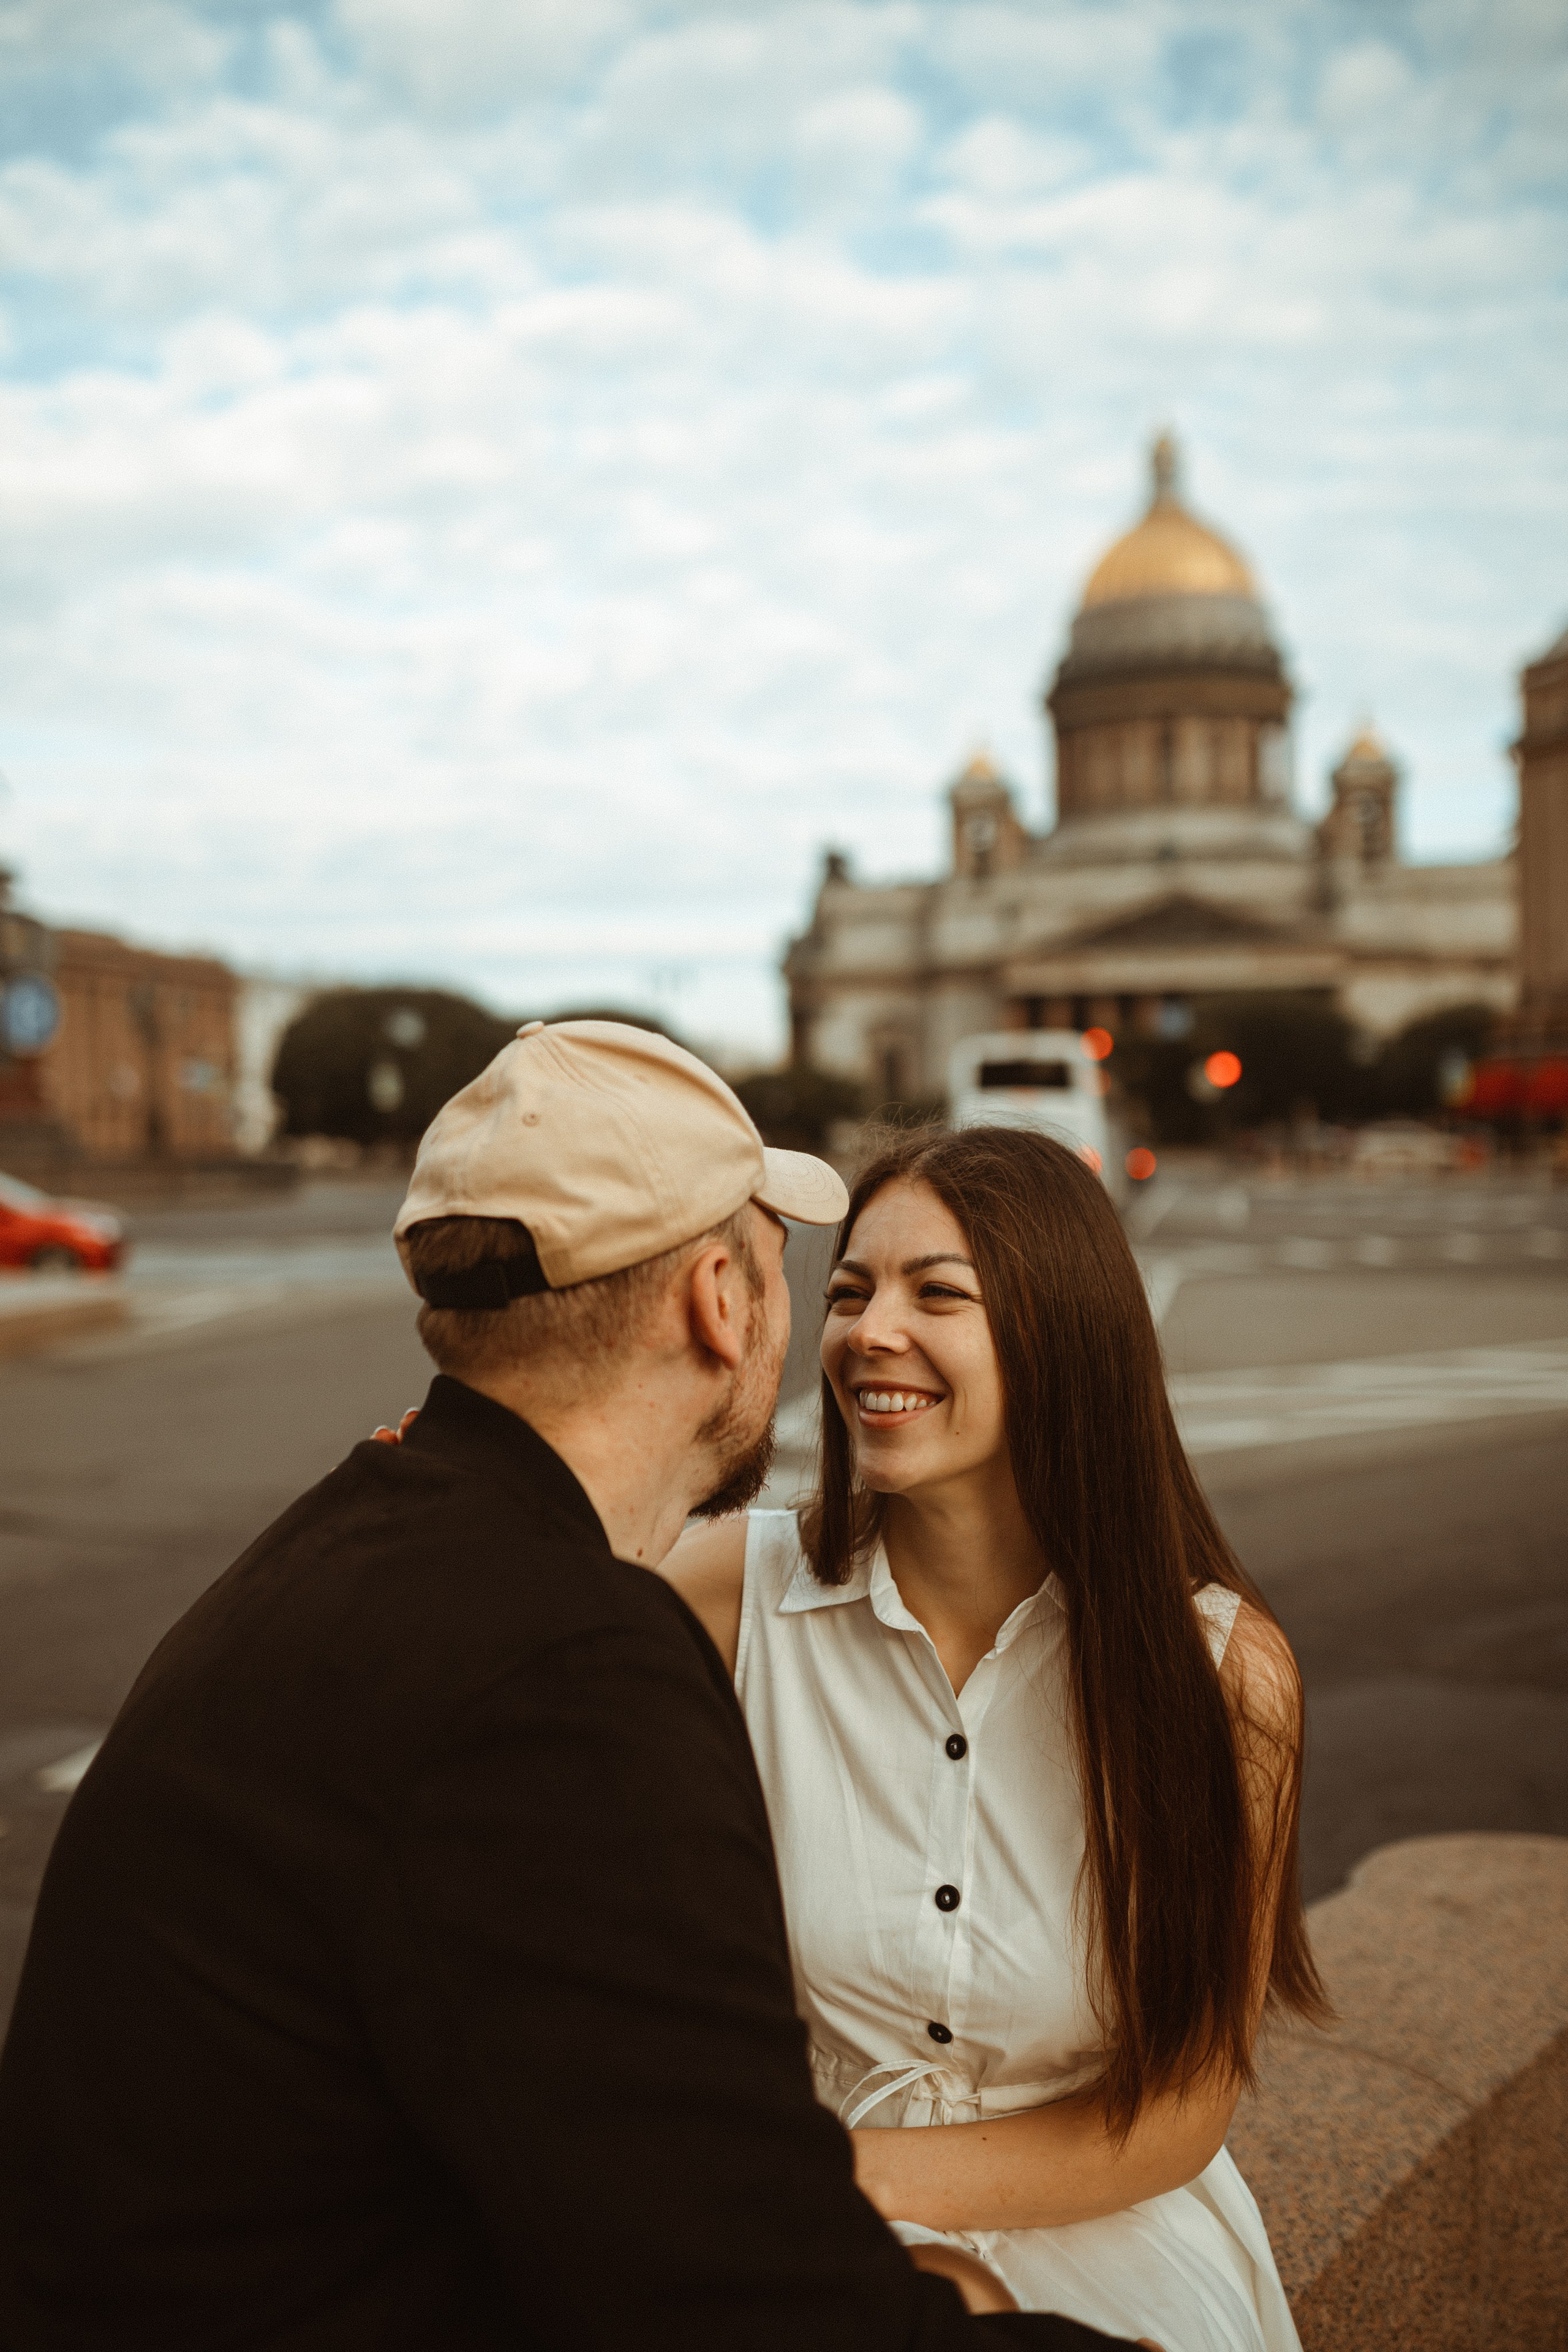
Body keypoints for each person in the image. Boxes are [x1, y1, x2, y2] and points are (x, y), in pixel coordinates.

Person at [0, 1021, 1134, 2351]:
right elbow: (740, 2297)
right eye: (791, 1269)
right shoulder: (561, 1670)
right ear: (719, 1302)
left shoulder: (367, 1540)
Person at [659, 1122, 1329, 2352]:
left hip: (1104, 2241)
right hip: (791, 2240)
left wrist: (824, 2173)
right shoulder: (724, 1594)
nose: (870, 1331)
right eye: (849, 1292)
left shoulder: (1222, 1676)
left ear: (1059, 1334)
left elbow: (1177, 2113)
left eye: (938, 1294)